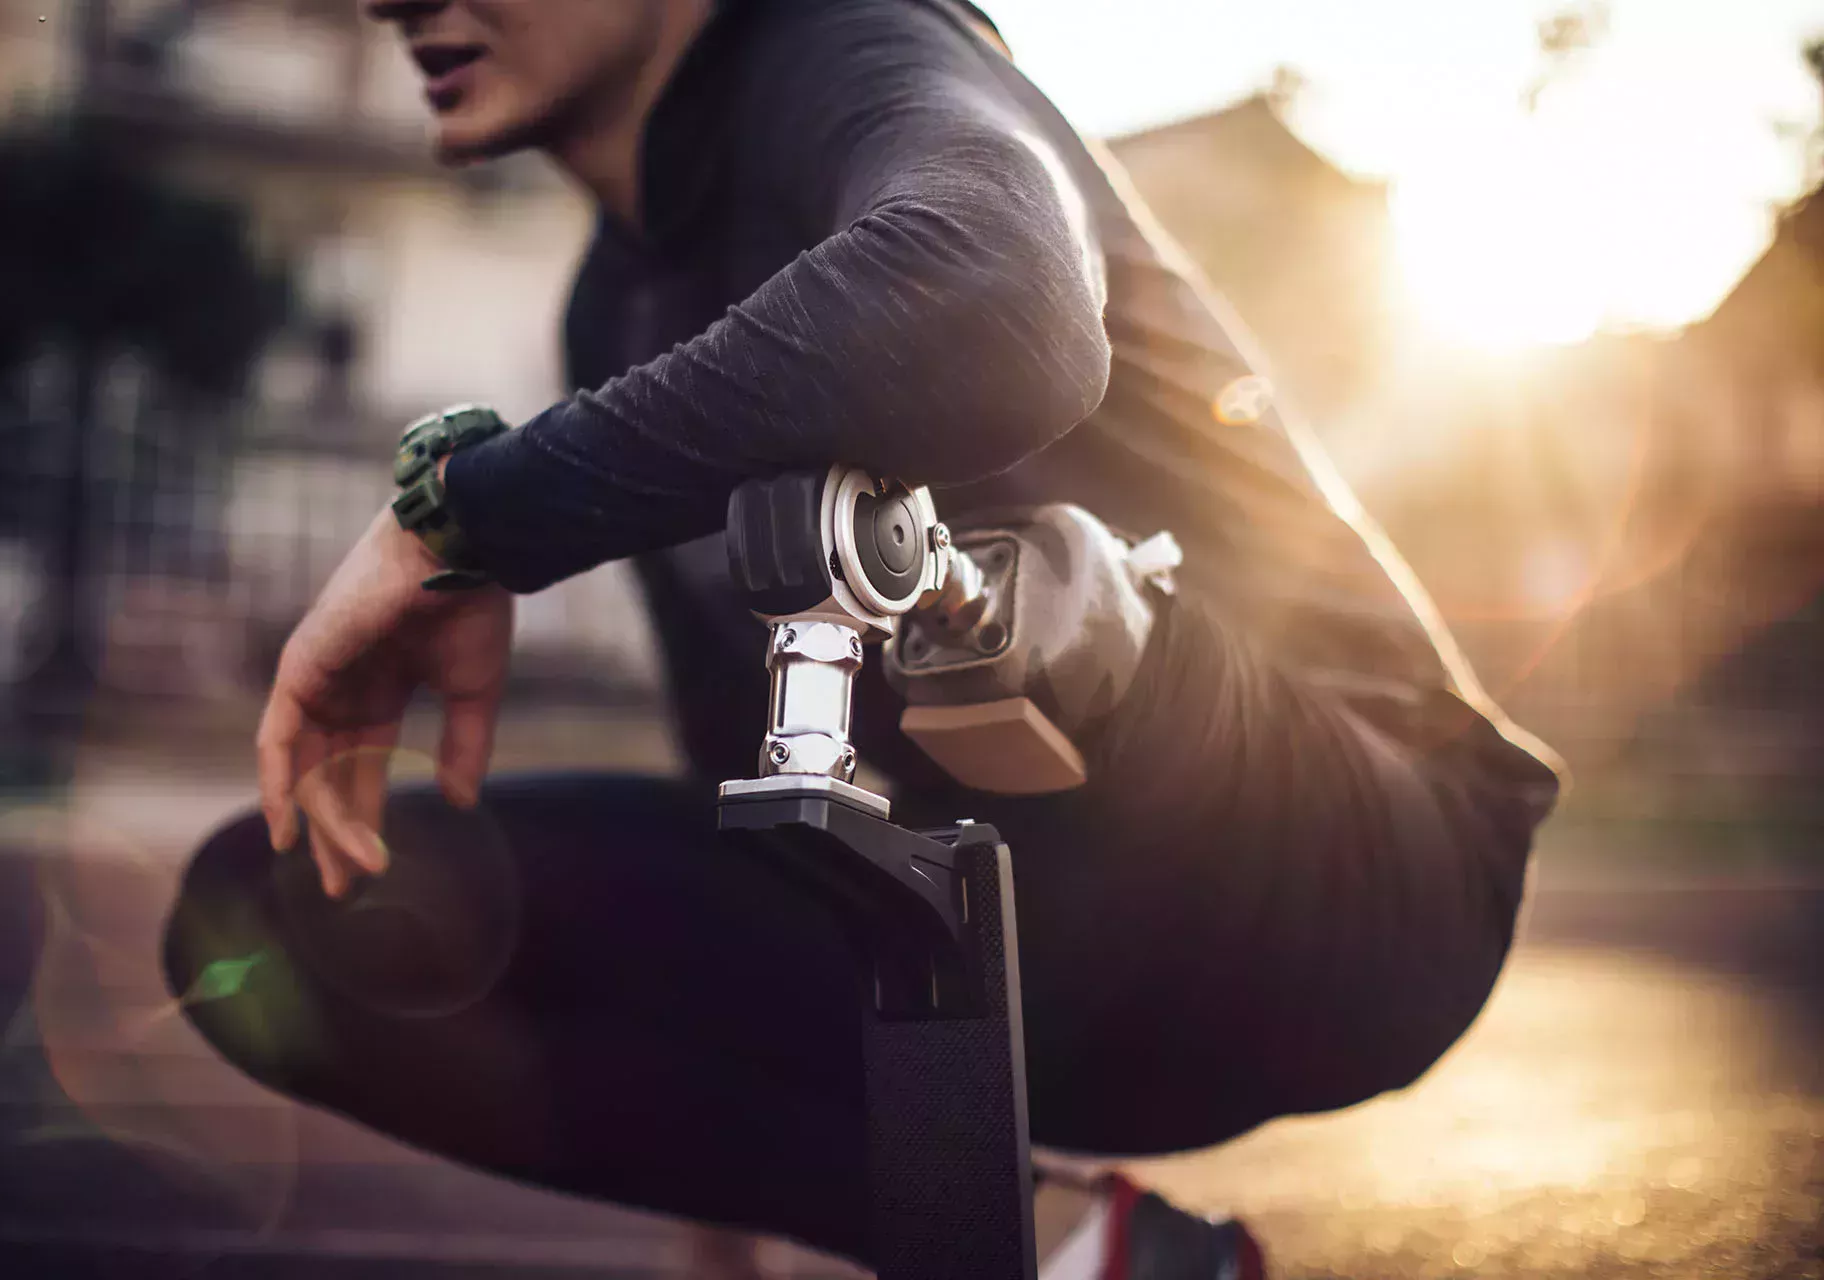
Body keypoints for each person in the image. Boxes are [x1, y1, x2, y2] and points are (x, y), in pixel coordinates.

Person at [163, 1, 1568, 1276]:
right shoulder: (613, 302)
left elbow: (997, 300)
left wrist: (453, 527)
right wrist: (734, 1219)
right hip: (1003, 945)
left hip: (1343, 878)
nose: (391, 1)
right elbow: (755, 756)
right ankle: (1092, 1256)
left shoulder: (852, 51)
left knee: (1037, 614)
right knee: (267, 915)